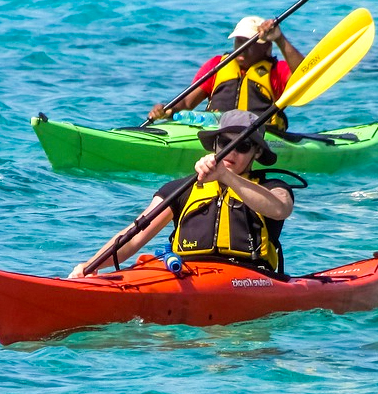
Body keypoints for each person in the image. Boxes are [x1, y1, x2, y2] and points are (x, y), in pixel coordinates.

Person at [70, 111, 296, 279]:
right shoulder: (181, 189)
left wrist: (226, 176)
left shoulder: (272, 187)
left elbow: (280, 209)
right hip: (185, 275)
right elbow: (135, 234)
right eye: (226, 143)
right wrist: (91, 265)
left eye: (243, 146)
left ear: (257, 151)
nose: (232, 151)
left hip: (248, 278)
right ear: (216, 144)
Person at [148, 16, 309, 130]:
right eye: (239, 41)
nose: (242, 47)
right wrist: (166, 110)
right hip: (214, 129)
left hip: (261, 136)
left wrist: (279, 39)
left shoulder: (276, 71)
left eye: (249, 42)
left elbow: (306, 76)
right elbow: (187, 104)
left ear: (267, 47)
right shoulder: (217, 65)